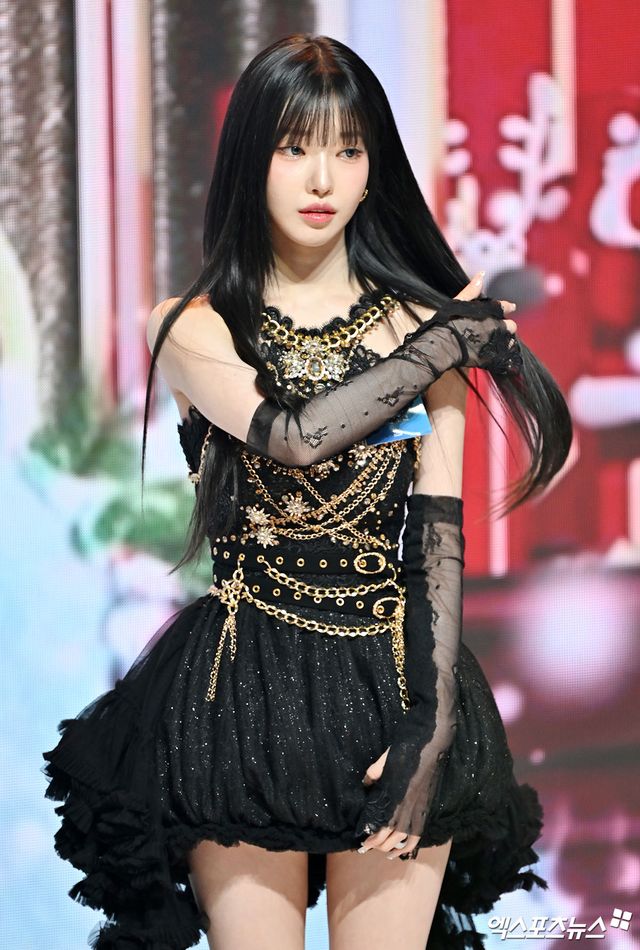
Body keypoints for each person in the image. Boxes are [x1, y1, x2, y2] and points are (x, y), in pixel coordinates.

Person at [42, 33, 572, 950]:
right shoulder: (193, 324)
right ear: (252, 158)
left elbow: (436, 539)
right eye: (294, 148)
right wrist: (446, 343)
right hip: (241, 689)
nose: (322, 178)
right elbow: (292, 438)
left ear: (374, 170)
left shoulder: (421, 329)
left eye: (349, 150)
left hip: (394, 680)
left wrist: (430, 730)